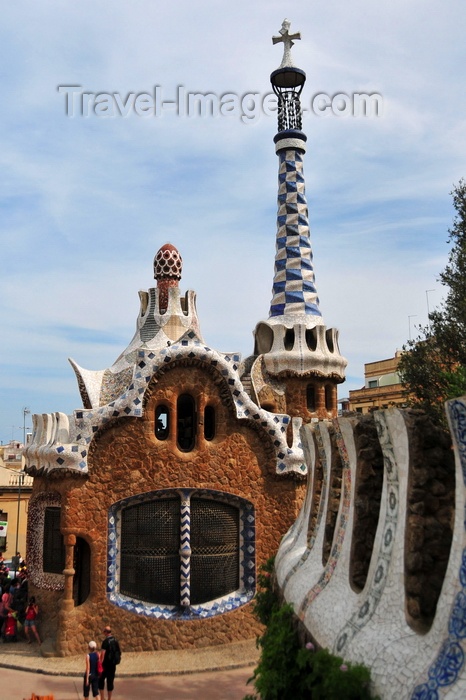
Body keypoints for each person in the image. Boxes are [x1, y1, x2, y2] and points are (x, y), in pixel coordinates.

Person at [99, 626, 121, 700]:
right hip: (113, 665)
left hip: (105, 665)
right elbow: (119, 652)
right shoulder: (115, 640)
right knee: (110, 682)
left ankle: (102, 698)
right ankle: (109, 698)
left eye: (104, 631)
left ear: (105, 632)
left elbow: (102, 655)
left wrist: (100, 664)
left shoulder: (105, 642)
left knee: (101, 680)